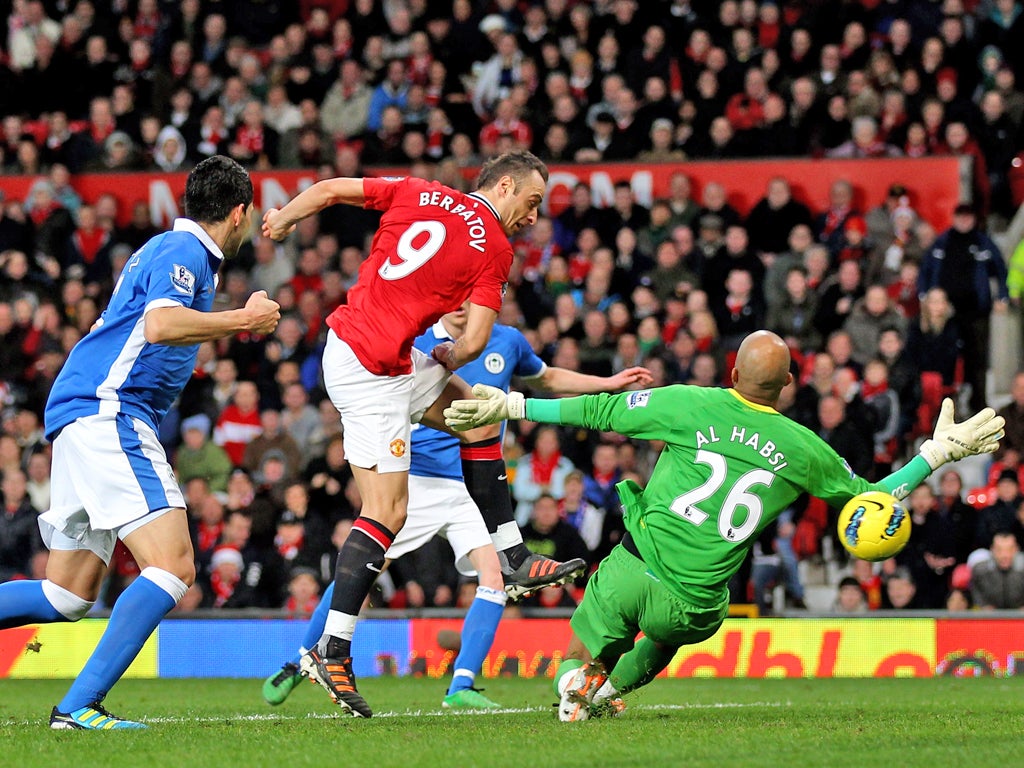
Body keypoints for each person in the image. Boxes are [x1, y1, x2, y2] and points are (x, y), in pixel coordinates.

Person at [443, 330, 1004, 721]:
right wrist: (934, 455)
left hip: (633, 568)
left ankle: (574, 683)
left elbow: (597, 412)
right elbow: (872, 499)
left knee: (586, 640)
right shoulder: (803, 447)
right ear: (787, 384)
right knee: (663, 640)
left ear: (733, 373)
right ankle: (608, 691)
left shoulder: (689, 403)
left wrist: (513, 408)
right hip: (696, 601)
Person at [261, 151, 584, 718]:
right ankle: (329, 650)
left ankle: (509, 555)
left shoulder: (418, 190)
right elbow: (478, 340)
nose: (533, 217)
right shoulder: (495, 245)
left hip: (362, 349)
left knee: (477, 416)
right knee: (387, 512)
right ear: (503, 185)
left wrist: (287, 216)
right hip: (372, 370)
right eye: (531, 203)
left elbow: (334, 187)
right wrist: (448, 353)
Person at [0, 156, 280, 729]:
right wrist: (242, 321)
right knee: (174, 564)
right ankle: (78, 708)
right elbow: (160, 325)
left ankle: (79, 706)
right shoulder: (185, 253)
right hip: (110, 411)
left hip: (86, 411)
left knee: (67, 596)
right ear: (240, 213)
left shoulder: (170, 250)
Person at [261, 304, 651, 710]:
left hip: (475, 486)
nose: (467, 306)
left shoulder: (508, 341)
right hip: (421, 480)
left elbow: (548, 377)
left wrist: (607, 381)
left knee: (494, 578)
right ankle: (300, 661)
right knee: (364, 570)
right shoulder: (417, 336)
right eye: (460, 297)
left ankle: (460, 686)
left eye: (476, 297)